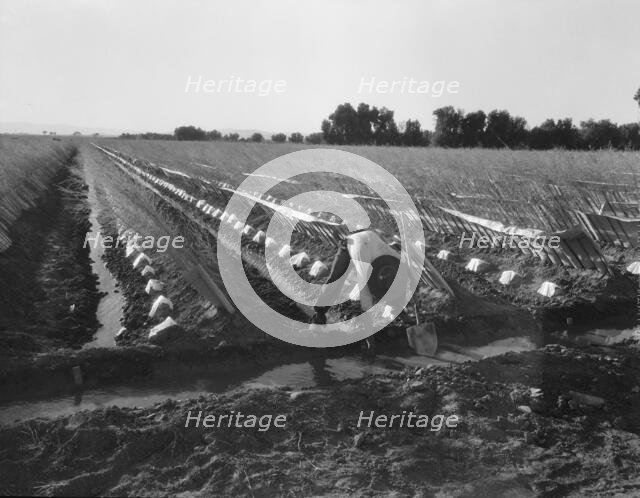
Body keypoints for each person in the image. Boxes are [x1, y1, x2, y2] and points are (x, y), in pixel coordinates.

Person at [311, 228, 402, 352]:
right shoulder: (365, 270)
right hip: (351, 244)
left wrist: (413, 303)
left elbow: (411, 281)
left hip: (369, 240)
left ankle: (400, 312)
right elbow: (366, 307)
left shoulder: (396, 263)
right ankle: (319, 316)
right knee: (335, 280)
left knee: (391, 289)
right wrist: (370, 342)